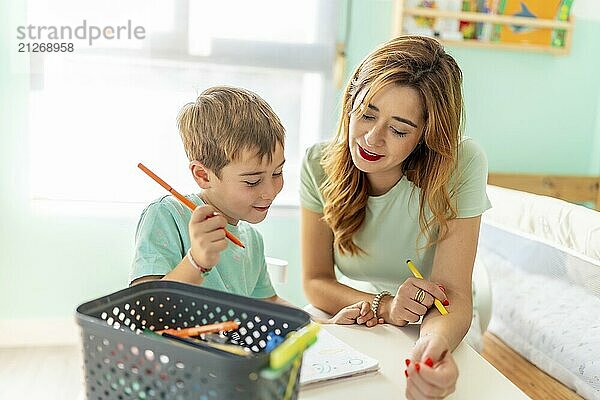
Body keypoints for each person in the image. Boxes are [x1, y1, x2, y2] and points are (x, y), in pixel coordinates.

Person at [300, 36, 491, 399]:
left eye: (399, 129)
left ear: (425, 135)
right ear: (350, 100)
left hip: (440, 320)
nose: (372, 138)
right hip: (360, 307)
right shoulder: (317, 163)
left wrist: (432, 346)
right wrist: (386, 307)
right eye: (367, 113)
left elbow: (453, 296)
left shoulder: (462, 163)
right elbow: (315, 281)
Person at [129, 85, 363, 325]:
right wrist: (196, 261)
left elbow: (268, 303)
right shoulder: (166, 215)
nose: (270, 191)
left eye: (278, 172)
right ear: (203, 175)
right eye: (252, 181)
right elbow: (148, 312)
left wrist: (326, 323)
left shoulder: (251, 239)